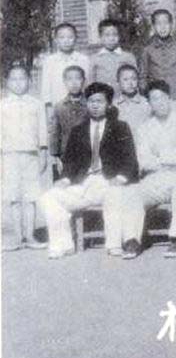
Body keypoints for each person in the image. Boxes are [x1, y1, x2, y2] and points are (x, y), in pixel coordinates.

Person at [38, 82, 139, 259]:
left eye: (100, 101)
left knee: (115, 193)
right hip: (82, 184)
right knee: (49, 197)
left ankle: (114, 244)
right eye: (91, 101)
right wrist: (65, 179)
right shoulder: (78, 130)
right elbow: (70, 161)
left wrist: (120, 178)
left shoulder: (120, 127)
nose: (95, 105)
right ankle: (63, 244)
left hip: (107, 182)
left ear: (108, 104)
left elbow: (130, 160)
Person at [105, 80, 176, 259]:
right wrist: (169, 159)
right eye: (154, 99)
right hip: (157, 178)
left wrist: (162, 157)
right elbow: (144, 160)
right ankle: (132, 240)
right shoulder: (145, 128)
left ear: (170, 99)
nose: (160, 103)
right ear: (149, 103)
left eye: (163, 98)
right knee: (133, 192)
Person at [2, 62, 48, 251]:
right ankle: (17, 237)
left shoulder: (36, 104)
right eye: (14, 79)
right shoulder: (3, 105)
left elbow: (42, 129)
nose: (18, 83)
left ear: (29, 81)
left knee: (30, 196)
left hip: (31, 155)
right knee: (13, 196)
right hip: (9, 155)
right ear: (6, 82)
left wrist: (43, 151)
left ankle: (30, 235)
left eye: (22, 78)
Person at [48, 65, 88, 178]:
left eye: (78, 78)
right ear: (64, 82)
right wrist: (56, 158)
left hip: (87, 156)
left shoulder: (90, 105)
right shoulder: (59, 106)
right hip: (65, 157)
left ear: (84, 81)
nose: (74, 82)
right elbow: (55, 134)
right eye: (69, 79)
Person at [40, 23, 90, 111]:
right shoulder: (49, 61)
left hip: (80, 107)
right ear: (56, 40)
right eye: (62, 37)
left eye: (70, 37)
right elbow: (46, 90)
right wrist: (49, 109)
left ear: (76, 39)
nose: (66, 41)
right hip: (57, 105)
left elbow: (87, 85)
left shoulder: (83, 60)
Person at [140, 9, 176, 98]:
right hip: (158, 98)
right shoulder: (147, 51)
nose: (162, 27)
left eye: (166, 23)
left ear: (171, 25)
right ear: (153, 27)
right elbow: (142, 77)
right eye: (158, 23)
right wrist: (149, 95)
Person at [90, 19, 138, 95]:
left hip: (124, 97)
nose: (111, 38)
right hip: (103, 98)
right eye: (107, 35)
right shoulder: (94, 59)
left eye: (115, 35)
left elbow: (135, 80)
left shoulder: (128, 57)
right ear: (100, 37)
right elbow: (91, 83)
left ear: (119, 36)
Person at [113, 64, 151, 132]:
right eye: (125, 79)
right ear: (118, 82)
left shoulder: (146, 103)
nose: (130, 83)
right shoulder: (114, 105)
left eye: (134, 79)